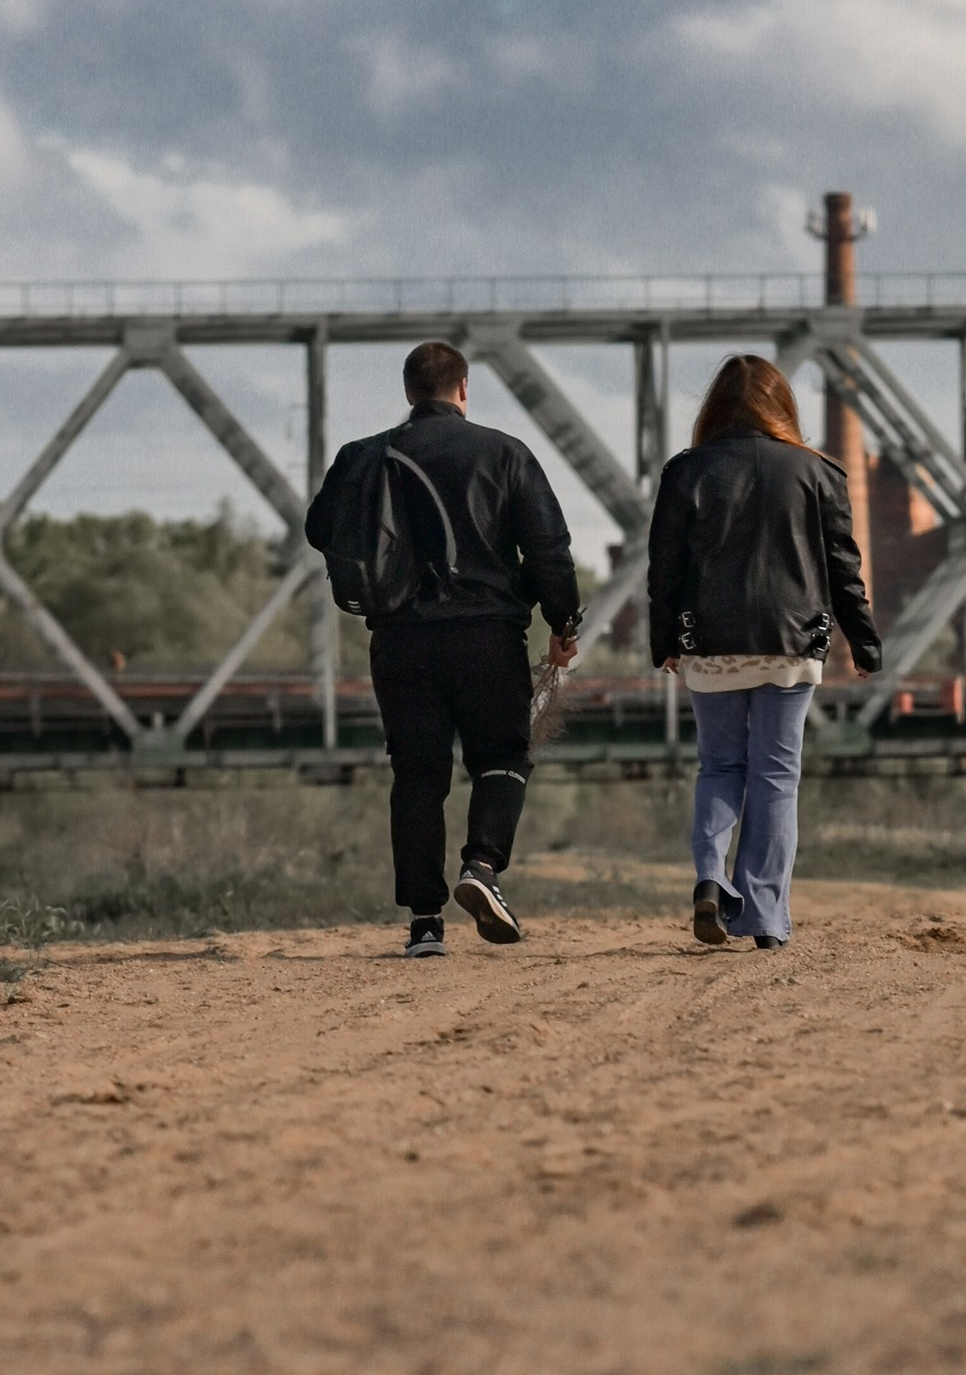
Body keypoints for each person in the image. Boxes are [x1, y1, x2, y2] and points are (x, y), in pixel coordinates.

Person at [304, 341, 580, 959]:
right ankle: (481, 868)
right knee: (502, 756)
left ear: (408, 393)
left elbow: (318, 529)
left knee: (418, 775)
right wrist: (564, 622)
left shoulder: (363, 456)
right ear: (463, 389)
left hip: (400, 639)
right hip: (487, 635)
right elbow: (547, 549)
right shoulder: (505, 453)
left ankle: (425, 924)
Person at [645, 354, 880, 950]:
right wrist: (864, 640)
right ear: (784, 408)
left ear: (714, 408)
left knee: (720, 767)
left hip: (710, 643)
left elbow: (664, 569)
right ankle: (764, 916)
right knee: (775, 776)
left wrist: (663, 639)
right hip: (789, 642)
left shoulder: (686, 472)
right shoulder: (818, 471)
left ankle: (709, 879)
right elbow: (843, 569)